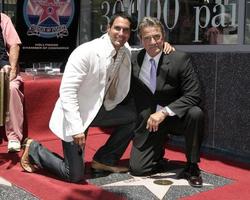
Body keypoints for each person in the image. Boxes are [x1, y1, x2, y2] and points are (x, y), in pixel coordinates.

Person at [20, 12, 172, 183]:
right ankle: (34, 149)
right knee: (74, 175)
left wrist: (161, 45)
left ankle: (104, 160)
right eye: (117, 28)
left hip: (98, 110)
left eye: (126, 30)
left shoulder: (124, 50)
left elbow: (142, 50)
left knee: (134, 116)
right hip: (75, 115)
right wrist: (76, 128)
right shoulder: (86, 52)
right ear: (108, 28)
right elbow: (67, 92)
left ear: (130, 34)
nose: (121, 33)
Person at [129, 17, 204, 188]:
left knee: (196, 113)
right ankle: (157, 154)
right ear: (140, 40)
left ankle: (192, 166)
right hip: (150, 122)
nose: (152, 42)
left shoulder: (180, 59)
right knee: (138, 169)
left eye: (157, 36)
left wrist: (164, 112)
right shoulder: (133, 59)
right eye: (147, 38)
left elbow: (194, 94)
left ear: (163, 37)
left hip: (175, 117)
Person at [0, 12, 23, 153]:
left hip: (4, 66)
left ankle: (14, 136)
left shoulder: (3, 19)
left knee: (12, 88)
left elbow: (14, 45)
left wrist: (12, 69)